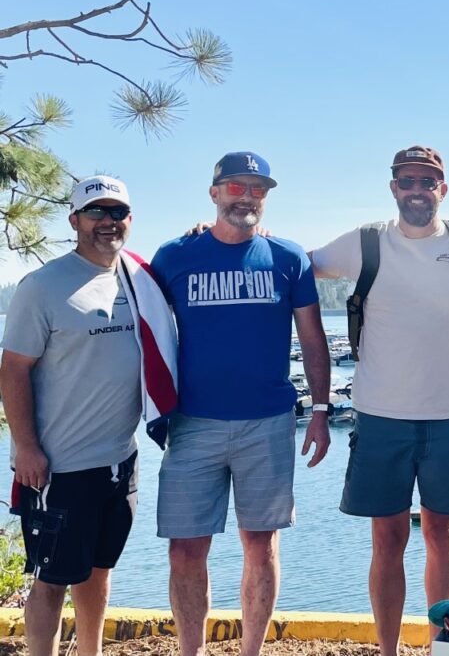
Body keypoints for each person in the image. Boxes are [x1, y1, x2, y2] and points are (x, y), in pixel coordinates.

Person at [309, 146, 449, 656]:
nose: (417, 190)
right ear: (393, 188)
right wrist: (249, 238)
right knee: (388, 539)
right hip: (382, 416)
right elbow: (299, 267)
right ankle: (389, 650)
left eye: (427, 181)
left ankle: (446, 648)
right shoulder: (366, 242)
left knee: (443, 534)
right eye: (407, 181)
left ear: (443, 189)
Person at [151, 152, 331, 656]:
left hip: (268, 424)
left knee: (261, 545)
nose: (247, 197)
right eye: (236, 187)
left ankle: (251, 651)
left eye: (257, 189)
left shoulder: (287, 258)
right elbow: (142, 326)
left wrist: (320, 411)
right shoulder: (174, 256)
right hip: (193, 423)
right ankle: (191, 651)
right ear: (214, 193)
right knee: (185, 550)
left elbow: (313, 339)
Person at [0, 176, 175, 656]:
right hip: (59, 468)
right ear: (74, 220)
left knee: (99, 571)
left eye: (117, 212)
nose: (107, 221)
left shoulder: (138, 279)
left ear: (130, 220)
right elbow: (13, 370)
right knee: (51, 580)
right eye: (96, 211)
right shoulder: (43, 286)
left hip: (120, 461)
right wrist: (27, 447)